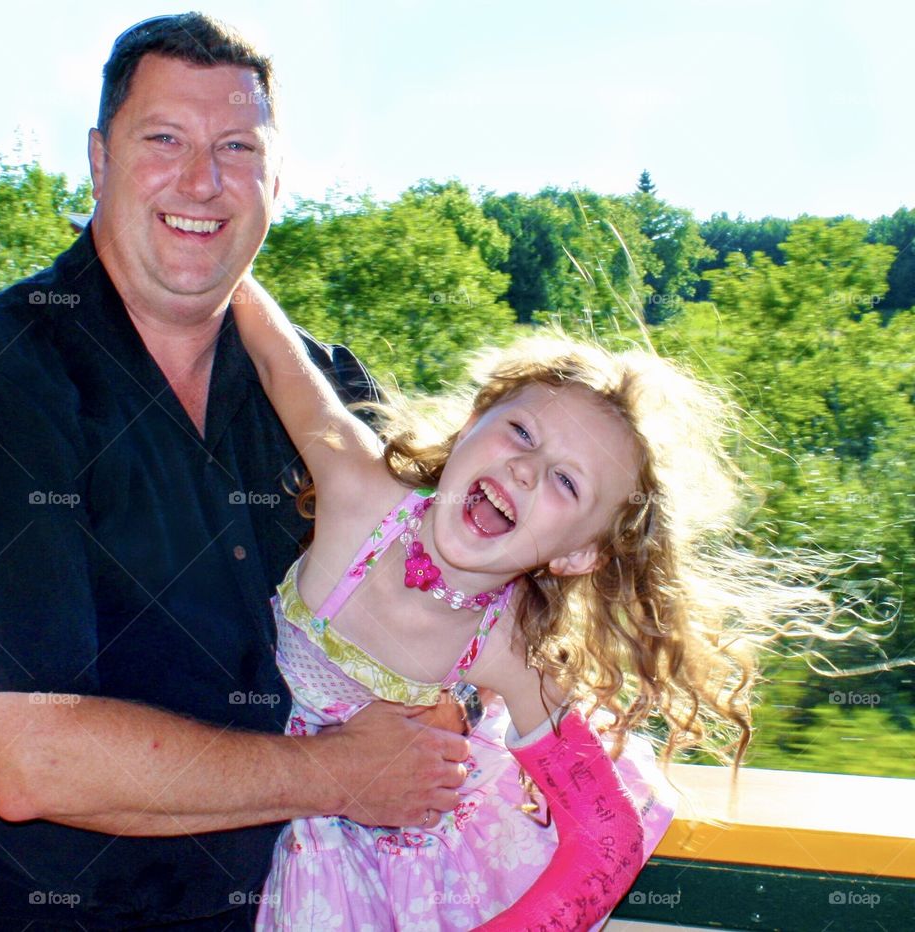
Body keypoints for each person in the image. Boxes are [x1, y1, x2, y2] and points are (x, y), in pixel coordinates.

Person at [0, 15, 471, 930]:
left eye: (237, 146)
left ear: (277, 177)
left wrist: (461, 707)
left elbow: (446, 601)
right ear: (98, 159)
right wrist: (345, 774)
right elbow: (31, 757)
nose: (202, 179)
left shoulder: (331, 399)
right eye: (164, 140)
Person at [232, 273, 834, 929]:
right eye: (521, 432)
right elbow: (272, 348)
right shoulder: (357, 489)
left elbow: (608, 840)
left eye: (567, 482)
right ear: (467, 429)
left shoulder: (507, 643)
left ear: (576, 554)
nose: (527, 468)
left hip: (398, 858)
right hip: (299, 801)